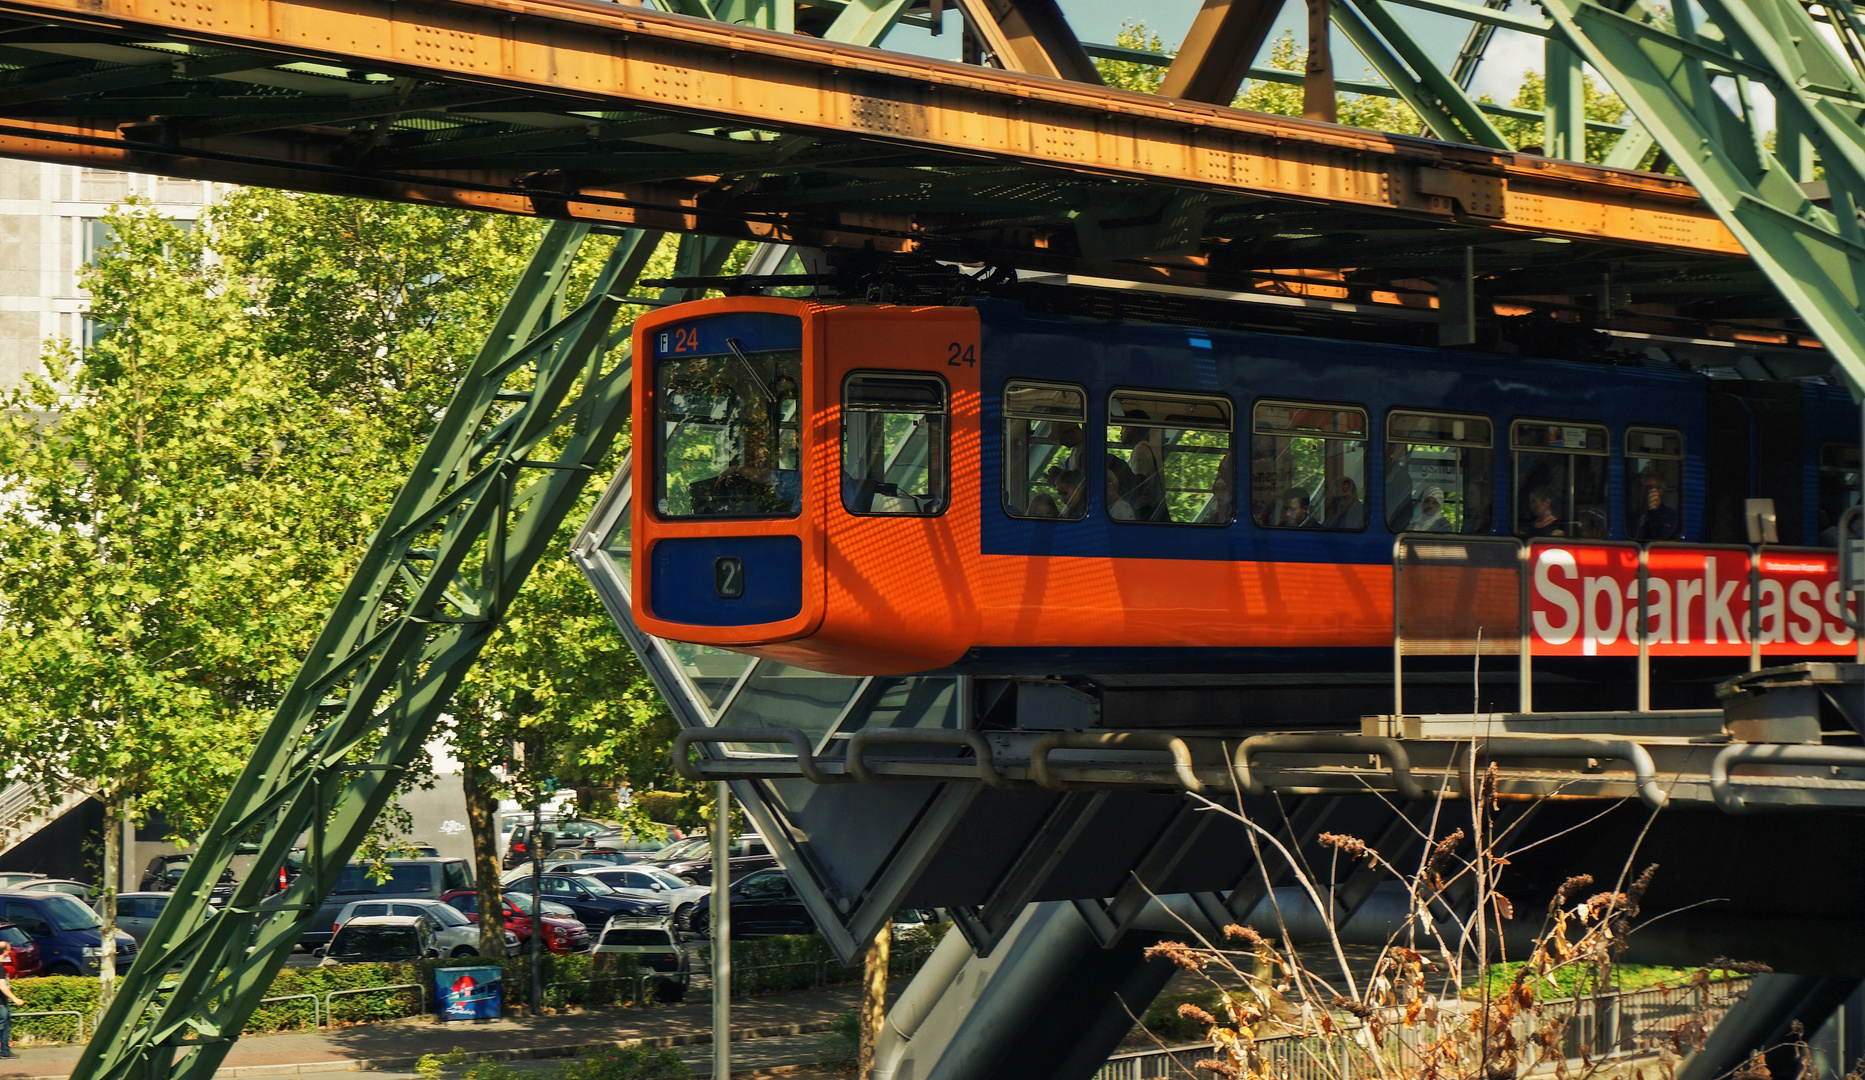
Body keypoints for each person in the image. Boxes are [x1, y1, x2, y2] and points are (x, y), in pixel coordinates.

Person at [1629, 469, 1680, 540]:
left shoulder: (1670, 516)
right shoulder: (1634, 517)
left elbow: (1661, 536)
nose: (1644, 492)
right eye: (1642, 488)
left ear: (1660, 492)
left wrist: (1653, 511)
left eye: (1649, 488)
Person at [0, 938, 21, 1058]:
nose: (9, 952)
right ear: (4, 952)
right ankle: (4, 1051)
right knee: (4, 1026)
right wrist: (15, 998)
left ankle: (5, 1050)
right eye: (8, 950)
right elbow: (2, 986)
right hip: (1, 1003)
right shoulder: (0, 968)